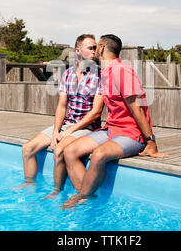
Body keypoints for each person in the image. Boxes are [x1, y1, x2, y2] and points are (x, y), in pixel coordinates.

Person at [62, 34, 168, 209]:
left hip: (131, 134)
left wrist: (151, 141)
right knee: (70, 151)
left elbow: (137, 108)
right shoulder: (105, 72)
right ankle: (87, 195)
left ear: (102, 48)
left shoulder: (122, 71)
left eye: (96, 47)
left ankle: (82, 196)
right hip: (111, 129)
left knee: (98, 155)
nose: (94, 50)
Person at [12, 34, 104, 199]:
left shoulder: (99, 75)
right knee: (27, 148)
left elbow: (96, 112)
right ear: (78, 50)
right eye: (91, 48)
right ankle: (29, 184)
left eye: (95, 47)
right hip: (67, 124)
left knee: (59, 150)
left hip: (87, 127)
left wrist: (70, 131)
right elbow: (62, 105)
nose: (95, 51)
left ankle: (57, 190)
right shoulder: (67, 74)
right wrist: (56, 131)